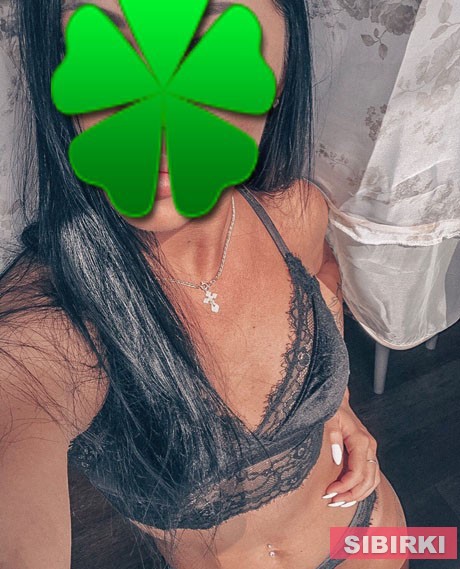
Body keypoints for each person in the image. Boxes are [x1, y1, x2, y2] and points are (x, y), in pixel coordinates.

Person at [0, 1, 409, 568]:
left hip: (372, 536)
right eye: (109, 49)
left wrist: (339, 406)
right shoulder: (42, 330)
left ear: (281, 73)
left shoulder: (294, 212)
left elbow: (324, 278)